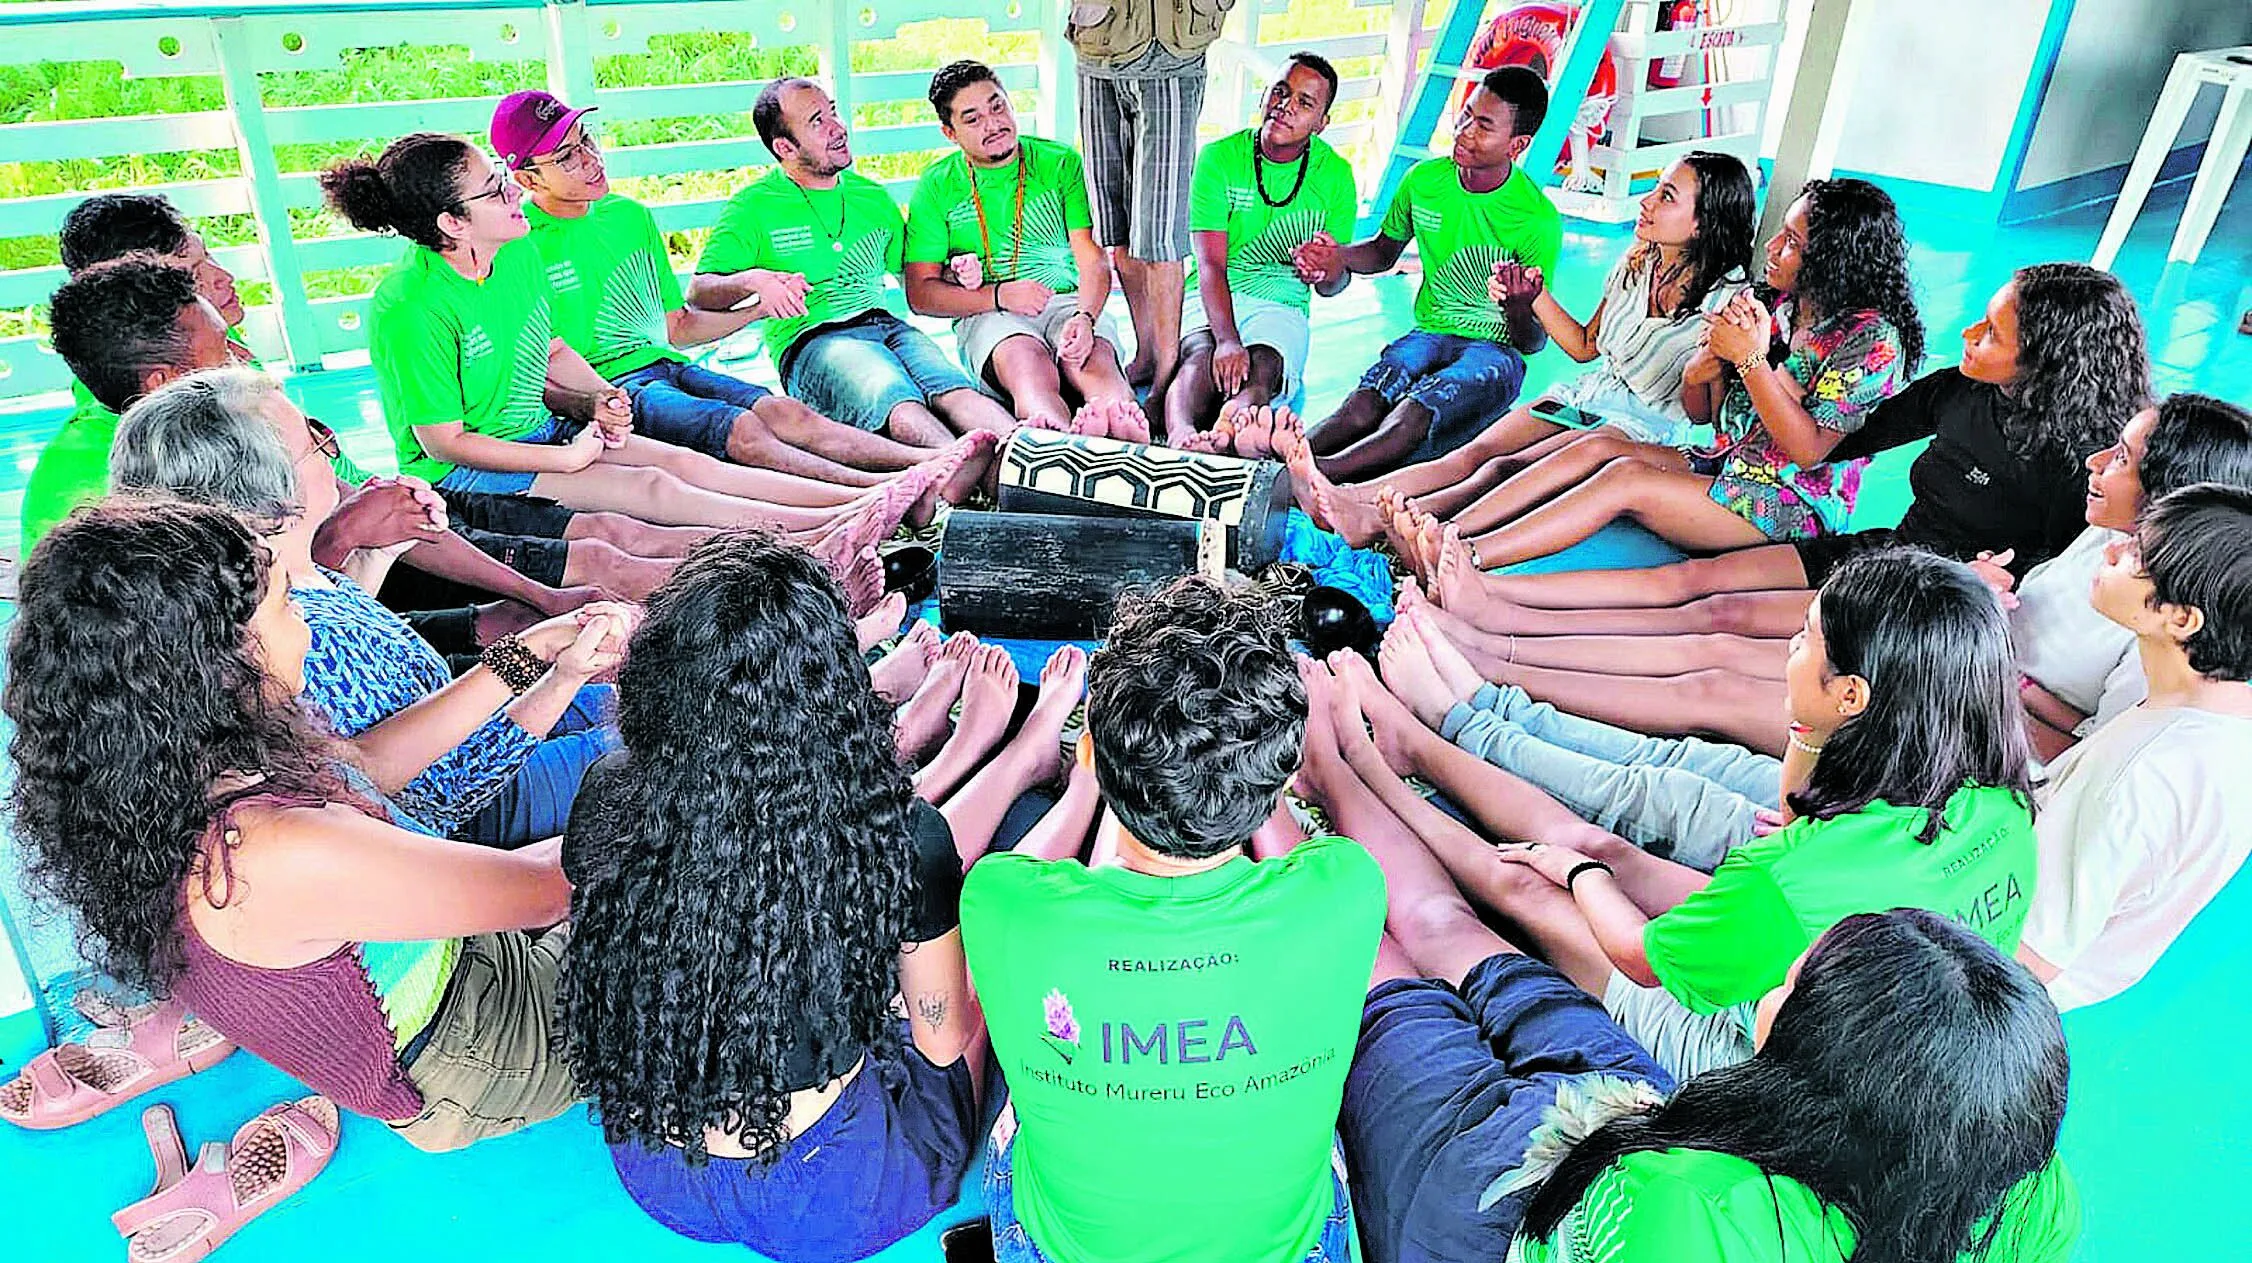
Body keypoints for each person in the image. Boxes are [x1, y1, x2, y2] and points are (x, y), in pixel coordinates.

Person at [3, 497, 607, 1150]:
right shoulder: (270, 851)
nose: (308, 630)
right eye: (290, 606)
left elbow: (368, 762)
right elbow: (551, 887)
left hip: (456, 970)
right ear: (227, 662)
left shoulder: (177, 766)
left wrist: (542, 657)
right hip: (488, 1050)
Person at [562, 534, 1080, 1261]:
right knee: (976, 956)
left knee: (885, 859)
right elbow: (938, 1037)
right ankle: (1040, 766)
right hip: (832, 1196)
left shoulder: (608, 792)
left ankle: (1000, 752)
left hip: (659, 1170)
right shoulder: (900, 837)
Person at [1362, 549, 2040, 1081]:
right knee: (1650, 795)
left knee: (1538, 883)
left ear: (1853, 695)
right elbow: (1800, 835)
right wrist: (1808, 725)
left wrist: (1581, 875)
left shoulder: (1793, 882)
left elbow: (1639, 955)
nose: (1790, 651)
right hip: (1840, 999)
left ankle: (1380, 760)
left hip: (1758, 1061)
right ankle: (1467, 716)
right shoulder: (2003, 811)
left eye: (1805, 639)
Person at [1399, 392, 2252, 759]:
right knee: (1714, 629)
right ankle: (1494, 624)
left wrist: (1994, 646)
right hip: (1937, 642)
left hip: (1946, 705)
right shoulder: (2102, 543)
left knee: (1712, 676)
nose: (2101, 461)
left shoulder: (2162, 604)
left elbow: (2068, 746)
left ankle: (1488, 668)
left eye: (2126, 456)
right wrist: (1991, 598)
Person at [961, 576, 1386, 1263]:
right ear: (1280, 781)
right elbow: (1286, 849)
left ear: (1093, 754)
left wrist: (1084, 791)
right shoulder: (1348, 889)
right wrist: (1237, 775)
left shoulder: (1002, 904)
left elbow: (1032, 881)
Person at [1410, 262, 2148, 633]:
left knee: (1711, 615)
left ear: (2046, 360)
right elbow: (1833, 441)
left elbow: (2052, 585)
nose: (1969, 338)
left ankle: (1495, 608)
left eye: (1991, 334)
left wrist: (1754, 363)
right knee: (1692, 583)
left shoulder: (2079, 465)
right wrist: (1743, 361)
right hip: (1886, 550)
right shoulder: (1964, 389)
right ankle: (1493, 594)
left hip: (1933, 604)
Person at [323, 130, 928, 582]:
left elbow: (549, 347)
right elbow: (443, 444)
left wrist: (600, 399)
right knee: (652, 495)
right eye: (495, 189)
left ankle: (863, 504)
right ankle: (827, 536)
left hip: (541, 431)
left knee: (681, 467)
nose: (513, 191)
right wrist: (566, 459)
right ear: (452, 223)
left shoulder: (515, 251)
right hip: (466, 471)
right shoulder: (409, 307)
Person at [109, 366, 632, 847]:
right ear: (268, 493)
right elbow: (411, 779)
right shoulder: (263, 634)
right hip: (482, 794)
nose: (331, 451)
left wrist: (379, 554)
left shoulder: (273, 581)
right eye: (315, 442)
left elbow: (349, 645)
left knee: (650, 692)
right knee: (680, 737)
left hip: (484, 734)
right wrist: (544, 665)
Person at [44, 256, 676, 650]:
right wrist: (544, 673)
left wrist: (542, 634)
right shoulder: (135, 514)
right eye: (311, 449)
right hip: (427, 722)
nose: (242, 355)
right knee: (572, 666)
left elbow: (354, 612)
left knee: (547, 622)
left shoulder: (326, 599)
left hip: (404, 659)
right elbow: (375, 737)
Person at [1286, 654, 1673, 1263]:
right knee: (1400, 962)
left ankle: (1292, 790)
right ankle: (1310, 783)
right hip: (1623, 1128)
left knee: (1410, 953)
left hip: (1527, 1187)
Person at [496, 90, 996, 501]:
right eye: (567, 156)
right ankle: (880, 491)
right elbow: (530, 368)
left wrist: (760, 303)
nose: (590, 160)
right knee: (743, 430)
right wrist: (593, 402)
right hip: (612, 388)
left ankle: (930, 467)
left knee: (786, 414)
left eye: (587, 140)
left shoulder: (628, 216)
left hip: (666, 363)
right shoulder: (517, 245)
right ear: (527, 178)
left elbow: (680, 327)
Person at [1510, 910, 2077, 1263]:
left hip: (1525, 1201)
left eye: (1791, 981)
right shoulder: (2037, 1198)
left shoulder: (1692, 1203)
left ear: (1826, 1086)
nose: (1775, 988)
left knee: (1447, 953)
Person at [1433, 177, 1922, 570]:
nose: (1772, 246)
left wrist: (1750, 360)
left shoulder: (1872, 340)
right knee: (1598, 446)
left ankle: (1465, 558)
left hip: (1788, 502)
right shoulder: (1774, 305)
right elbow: (1708, 418)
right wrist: (1702, 370)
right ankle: (1450, 530)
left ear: (1835, 261)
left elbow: (1809, 449)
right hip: (1724, 460)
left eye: (1791, 242)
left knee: (1625, 481)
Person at [1285, 152, 1758, 543]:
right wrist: (1533, 296)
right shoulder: (1637, 261)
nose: (1648, 202)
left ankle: (1389, 523)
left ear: (1702, 223)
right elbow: (1585, 346)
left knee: (1504, 468)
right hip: (1586, 397)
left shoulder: (1729, 302)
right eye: (1656, 188)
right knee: (1473, 454)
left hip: (1641, 425)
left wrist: (1703, 369)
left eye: (1667, 197)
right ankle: (1350, 495)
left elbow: (1700, 416)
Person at [2019, 483, 2252, 1010]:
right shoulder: (2225, 722)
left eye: (2136, 557)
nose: (2111, 549)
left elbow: (2024, 956)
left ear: (2181, 619)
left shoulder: (2137, 778)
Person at [689, 78, 1018, 448]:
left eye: (833, 112)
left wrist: (956, 272)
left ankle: (1032, 462)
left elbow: (915, 278)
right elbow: (700, 293)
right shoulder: (753, 206)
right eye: (817, 121)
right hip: (813, 340)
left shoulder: (871, 197)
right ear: (785, 147)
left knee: (956, 392)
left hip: (889, 327)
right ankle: (956, 473)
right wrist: (753, 280)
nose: (838, 127)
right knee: (900, 404)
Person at [1290, 66, 1561, 478]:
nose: (1465, 130)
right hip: (1430, 333)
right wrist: (1338, 256)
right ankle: (1276, 463)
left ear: (1517, 144)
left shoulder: (1536, 219)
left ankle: (1312, 476)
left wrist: (1519, 306)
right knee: (1363, 407)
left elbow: (1532, 342)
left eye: (1483, 126)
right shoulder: (1424, 181)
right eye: (1466, 114)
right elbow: (1383, 252)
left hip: (1495, 352)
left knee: (1411, 415)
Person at [905, 61, 1136, 436]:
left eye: (998, 106)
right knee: (1026, 363)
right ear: (950, 132)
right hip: (990, 314)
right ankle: (1055, 438)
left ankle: (1121, 420)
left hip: (1067, 300)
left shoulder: (1060, 163)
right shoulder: (937, 186)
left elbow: (1091, 259)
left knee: (1094, 359)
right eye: (973, 118)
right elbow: (920, 293)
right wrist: (998, 295)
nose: (993, 124)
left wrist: (1086, 317)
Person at [20, 192, 250, 554]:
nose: (224, 278)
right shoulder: (132, 467)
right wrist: (341, 535)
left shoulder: (205, 342)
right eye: (189, 276)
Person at [1156, 53, 1357, 448]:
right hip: (1213, 291)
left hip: (1280, 303)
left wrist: (1327, 271)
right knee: (1200, 358)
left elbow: (1335, 284)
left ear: (1321, 123)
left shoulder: (1335, 176)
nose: (1286, 105)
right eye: (1280, 91)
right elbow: (1211, 263)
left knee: (1263, 366)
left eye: (1304, 102)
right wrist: (1228, 340)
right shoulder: (1219, 158)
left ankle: (1228, 430)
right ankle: (1180, 435)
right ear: (1265, 95)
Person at [1066, 0, 1223, 393]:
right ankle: (1148, 351)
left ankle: (1167, 371)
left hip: (1173, 51)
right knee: (1115, 228)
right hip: (1097, 42)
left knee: (1161, 235)